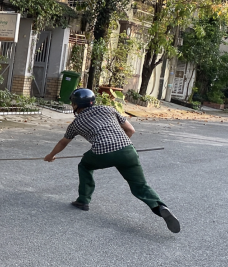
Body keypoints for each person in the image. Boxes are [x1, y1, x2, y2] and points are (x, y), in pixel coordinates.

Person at [44, 88, 180, 233]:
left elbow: (63, 142)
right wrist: (120, 147)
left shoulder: (76, 123)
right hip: (128, 150)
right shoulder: (108, 109)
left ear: (76, 104)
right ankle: (159, 207)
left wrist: (50, 155)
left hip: (102, 153)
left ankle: (83, 200)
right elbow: (130, 130)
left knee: (84, 165)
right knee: (140, 186)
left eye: (72, 103)